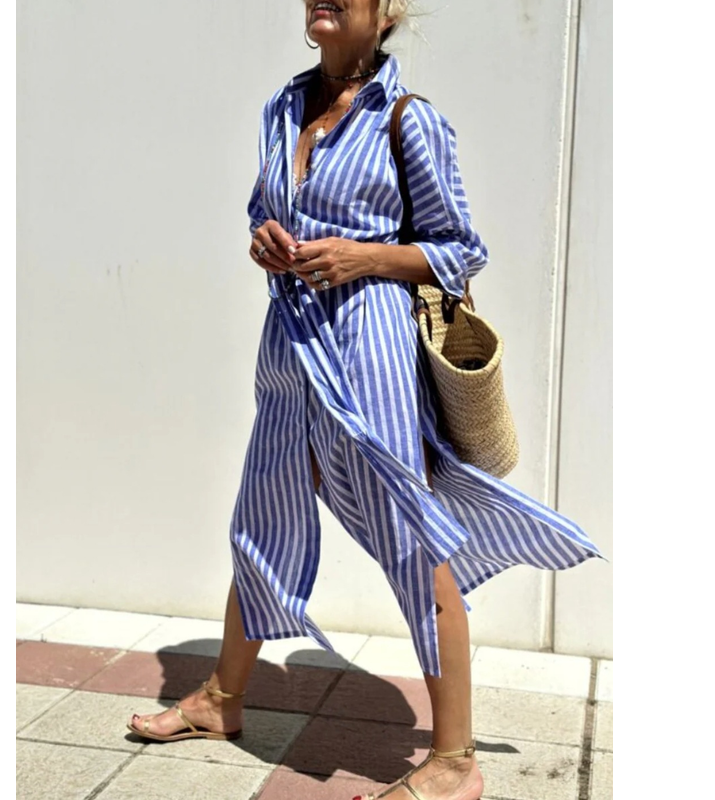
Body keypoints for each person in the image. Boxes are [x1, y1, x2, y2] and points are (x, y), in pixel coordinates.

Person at [129, 2, 601, 798]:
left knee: (412, 538)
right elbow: (263, 208)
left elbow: (460, 250)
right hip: (290, 349)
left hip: (368, 353)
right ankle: (221, 698)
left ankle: (454, 761)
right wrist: (264, 238)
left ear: (387, 12)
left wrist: (366, 257)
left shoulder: (408, 118)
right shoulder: (284, 106)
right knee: (262, 515)